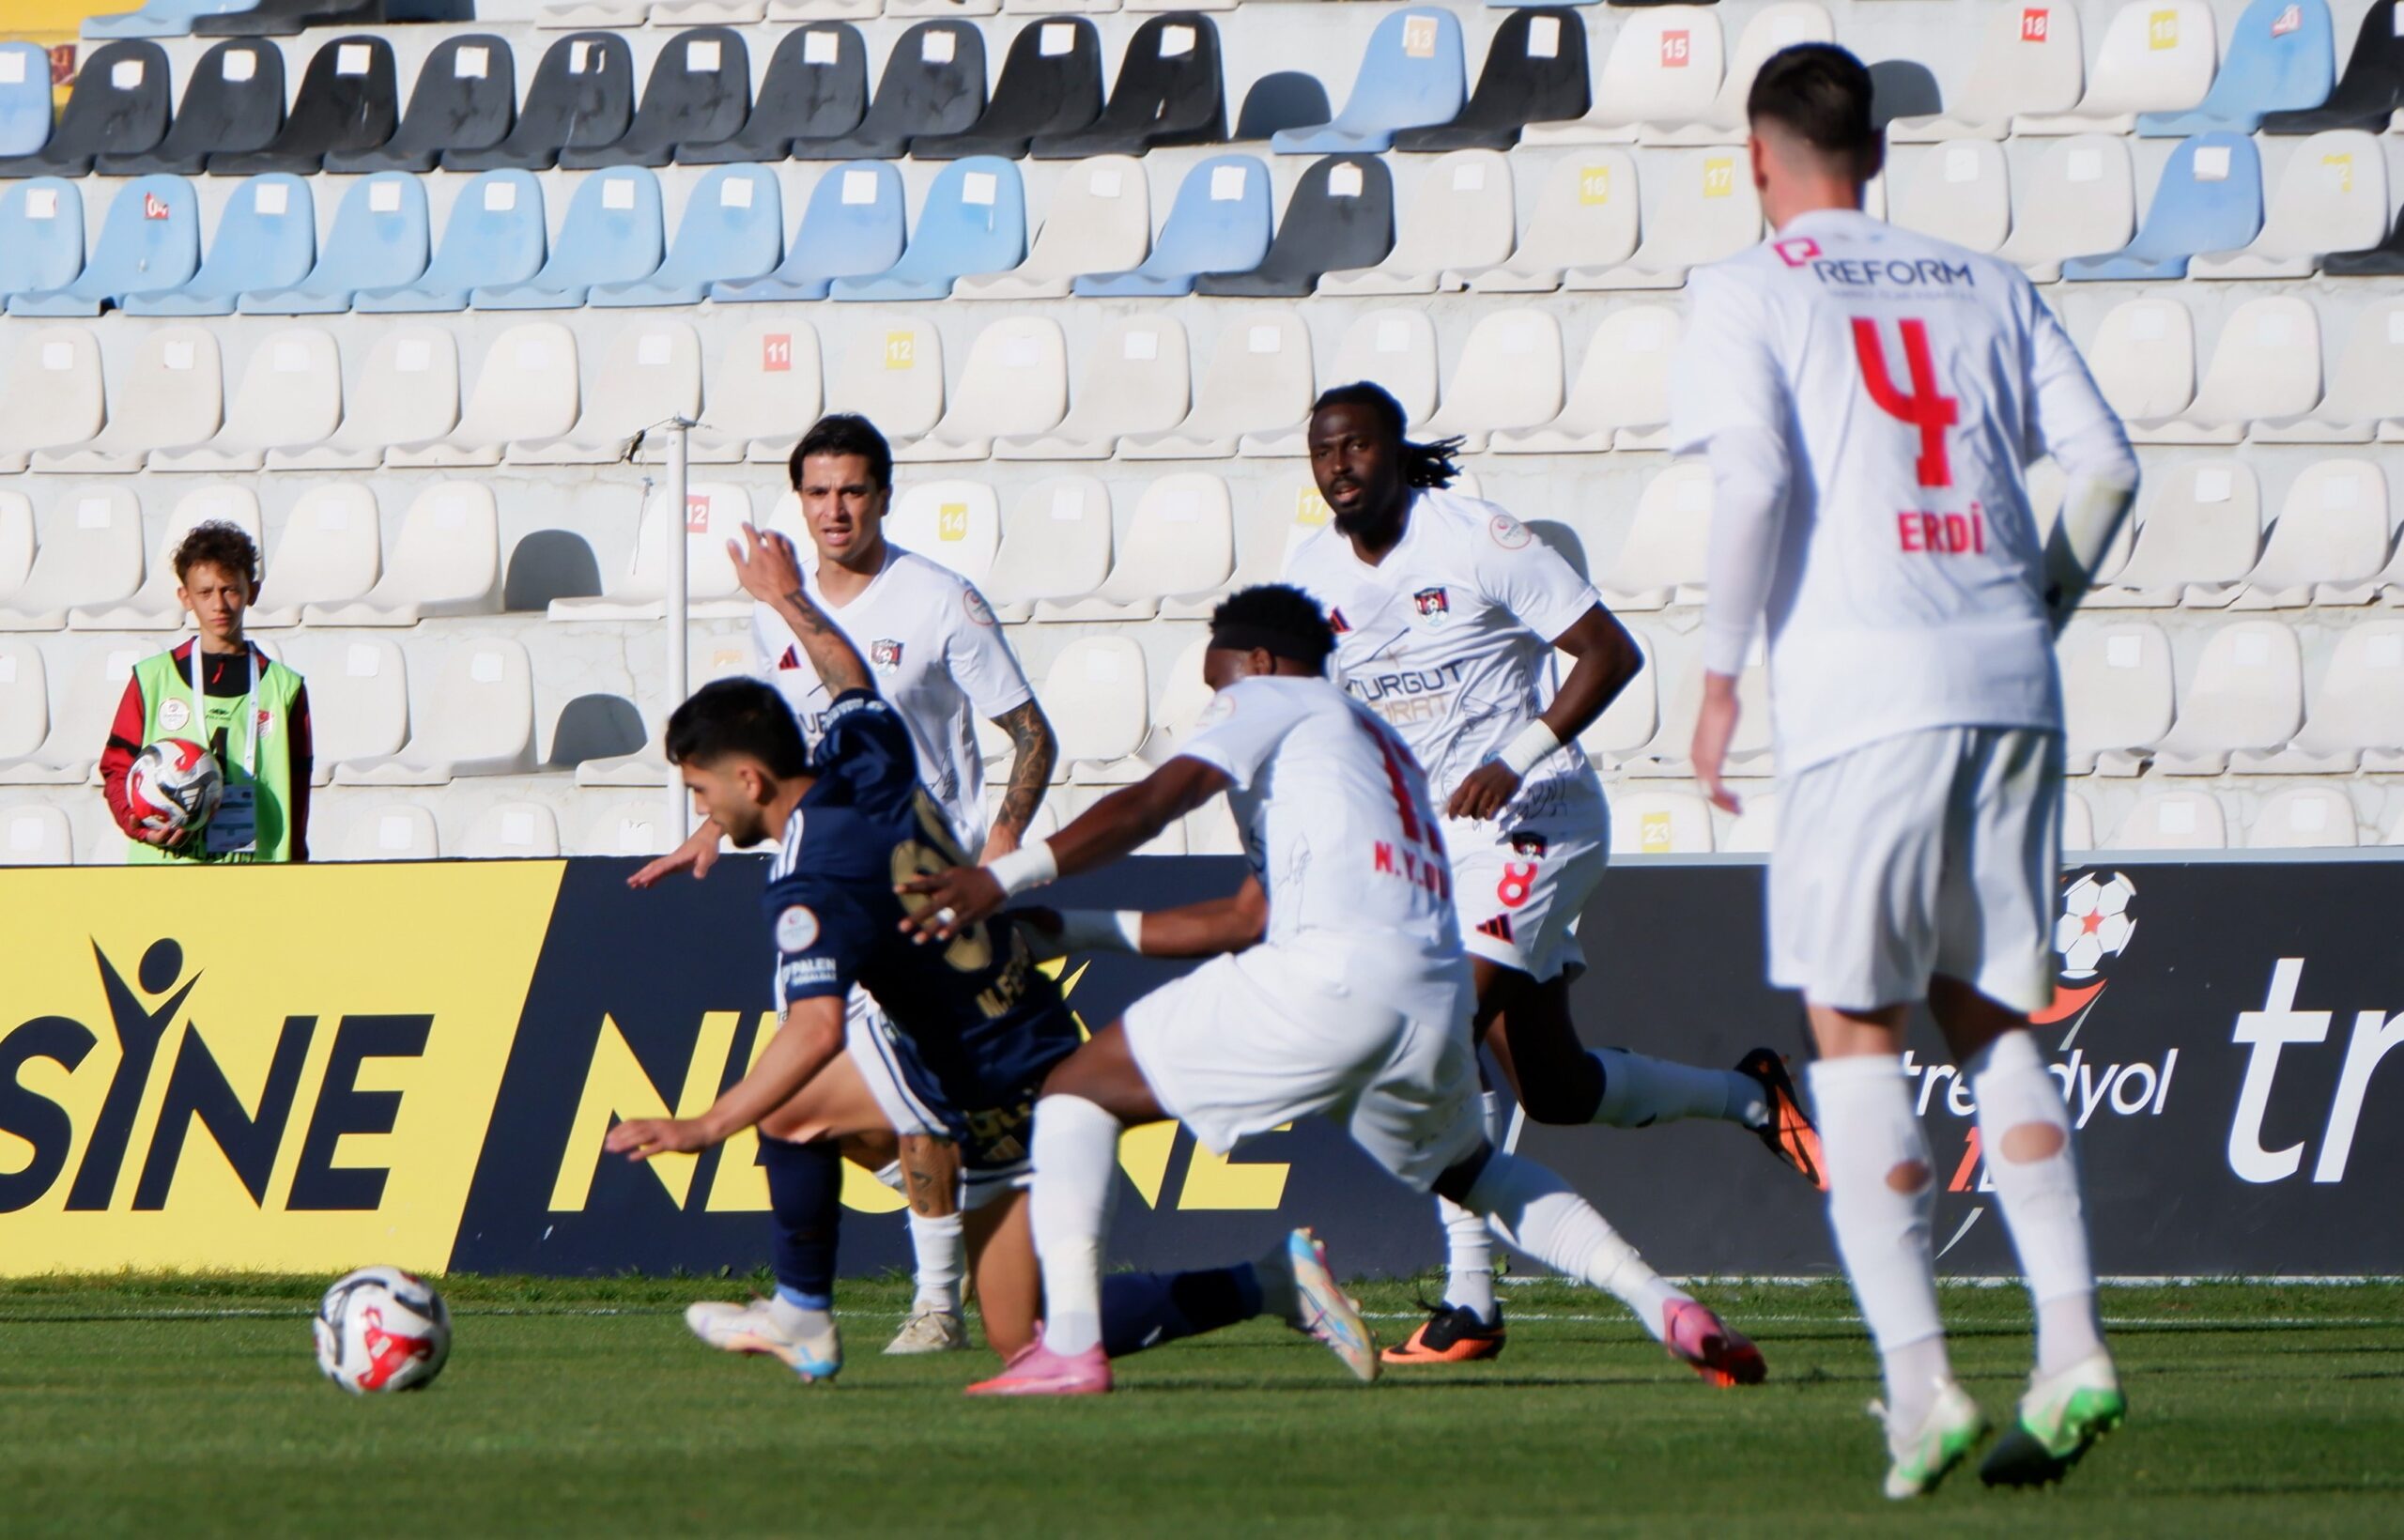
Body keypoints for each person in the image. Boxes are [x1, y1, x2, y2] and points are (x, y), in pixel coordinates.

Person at [899, 585, 1768, 1397]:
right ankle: (1666, 1305)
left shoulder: (1273, 700)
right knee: (1475, 1172)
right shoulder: (1369, 741)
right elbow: (1248, 915)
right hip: (1430, 996)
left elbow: (1159, 797)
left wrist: (1001, 880)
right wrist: (1077, 929)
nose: (1216, 706)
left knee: (1073, 1094)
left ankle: (1073, 1346)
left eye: (1220, 683)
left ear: (1263, 664)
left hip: (1333, 977)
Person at [1671, 43, 2140, 1498]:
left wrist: (1722, 671)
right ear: (1873, 151)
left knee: (1856, 1028)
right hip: (2010, 676)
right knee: (1996, 1015)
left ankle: (1921, 1382)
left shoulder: (1748, 287)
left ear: (1760, 160)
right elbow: (2111, 469)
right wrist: (2032, 613)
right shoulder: (1988, 281)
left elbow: (1752, 481)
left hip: (1863, 697)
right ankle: (2071, 1344)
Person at [604, 558, 1369, 1385]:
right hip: (997, 1031)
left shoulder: (807, 880)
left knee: (803, 1124)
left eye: (699, 790)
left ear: (749, 779)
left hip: (994, 1069)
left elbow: (816, 1028)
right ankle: (1265, 1284)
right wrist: (787, 599)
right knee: (1012, 1318)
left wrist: (702, 1127)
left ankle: (805, 1314)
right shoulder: (867, 756)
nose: (701, 811)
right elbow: (851, 675)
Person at [1283, 383, 1824, 1364]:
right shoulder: (1309, 568)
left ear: (1399, 453)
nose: (1340, 466)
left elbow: (1610, 652)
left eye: (1358, 446)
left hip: (1536, 816)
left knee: (1433, 1024)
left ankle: (1471, 1300)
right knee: (1557, 1084)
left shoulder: (1477, 535)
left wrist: (1517, 753)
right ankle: (1753, 1095)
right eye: (1324, 451)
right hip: (1429, 844)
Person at [633, 413, 1058, 1356]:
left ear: (884, 495)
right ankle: (922, 1276)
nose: (834, 509)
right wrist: (714, 821)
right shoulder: (776, 613)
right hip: (851, 868)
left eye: (853, 490)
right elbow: (773, 745)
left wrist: (997, 852)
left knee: (870, 1096)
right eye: (818, 492)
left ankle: (928, 1295)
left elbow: (1032, 732)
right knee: (844, 1112)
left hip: (921, 891)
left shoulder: (939, 599)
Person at [100, 521, 311, 863]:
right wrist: (140, 825)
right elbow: (117, 769)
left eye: (230, 589)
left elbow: (298, 789)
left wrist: (299, 863)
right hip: (168, 874)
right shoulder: (152, 680)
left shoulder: (284, 687)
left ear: (251, 592)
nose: (219, 604)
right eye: (205, 592)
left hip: (259, 876)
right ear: (185, 597)